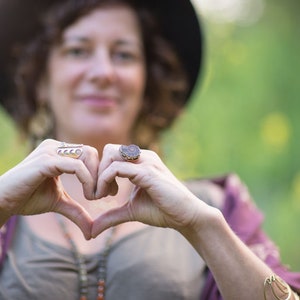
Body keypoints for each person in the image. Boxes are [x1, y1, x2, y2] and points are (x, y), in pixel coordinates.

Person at [0, 0, 299, 299]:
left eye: (123, 55)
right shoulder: (7, 203)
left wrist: (203, 227)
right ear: (40, 78)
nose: (103, 72)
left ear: (147, 83)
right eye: (77, 51)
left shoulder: (215, 206)